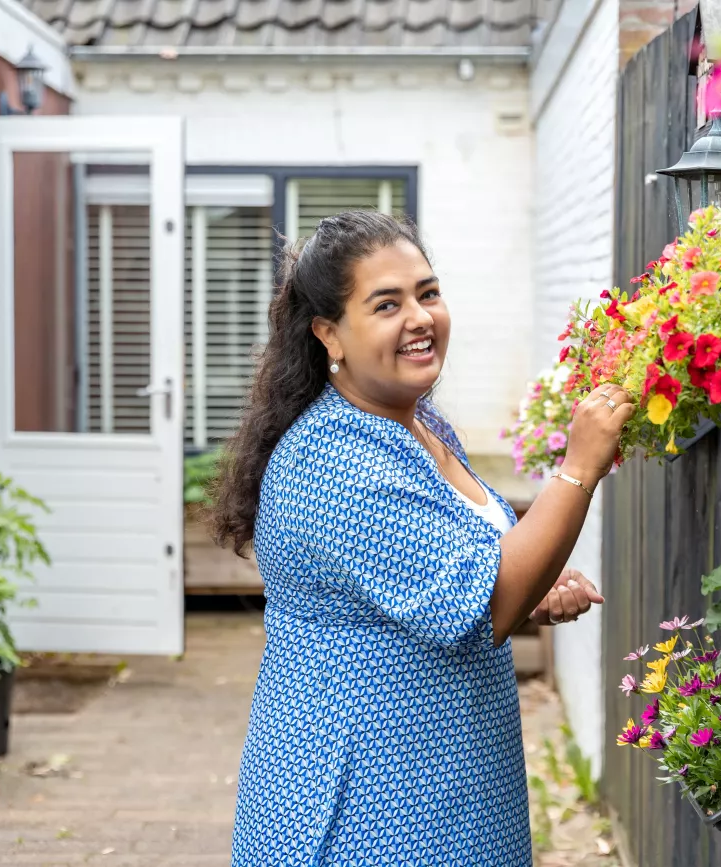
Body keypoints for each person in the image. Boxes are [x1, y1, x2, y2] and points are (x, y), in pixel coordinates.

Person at [210, 211, 635, 867]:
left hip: (439, 796)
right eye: (387, 304)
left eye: (427, 293)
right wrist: (578, 468)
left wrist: (536, 591)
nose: (419, 317)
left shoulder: (412, 424)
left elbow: (455, 569)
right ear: (330, 334)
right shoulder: (335, 463)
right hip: (363, 816)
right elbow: (486, 600)